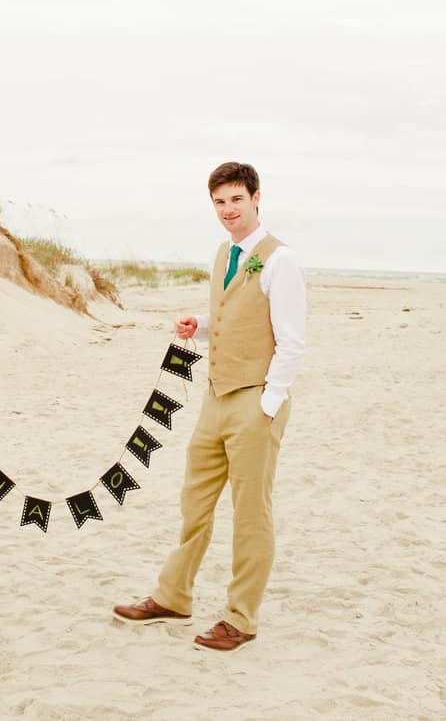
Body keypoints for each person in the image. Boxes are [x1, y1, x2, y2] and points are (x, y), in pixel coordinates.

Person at [113, 162, 305, 651]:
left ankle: (241, 618)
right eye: (219, 202)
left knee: (251, 514)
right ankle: (173, 596)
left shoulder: (281, 260)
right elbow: (231, 317)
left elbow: (291, 340)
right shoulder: (224, 254)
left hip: (255, 402)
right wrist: (197, 324)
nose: (227, 211)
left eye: (236, 200)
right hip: (214, 398)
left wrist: (269, 401)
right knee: (194, 502)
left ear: (257, 198)